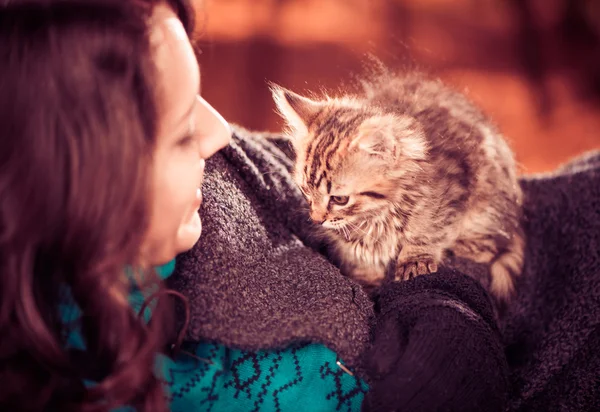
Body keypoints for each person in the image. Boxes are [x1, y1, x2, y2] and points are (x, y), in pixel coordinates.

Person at [5, 0, 596, 411]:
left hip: (523, 239)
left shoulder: (208, 190)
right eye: (184, 129)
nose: (222, 135)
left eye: (204, 100)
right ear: (90, 181)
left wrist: (447, 283)